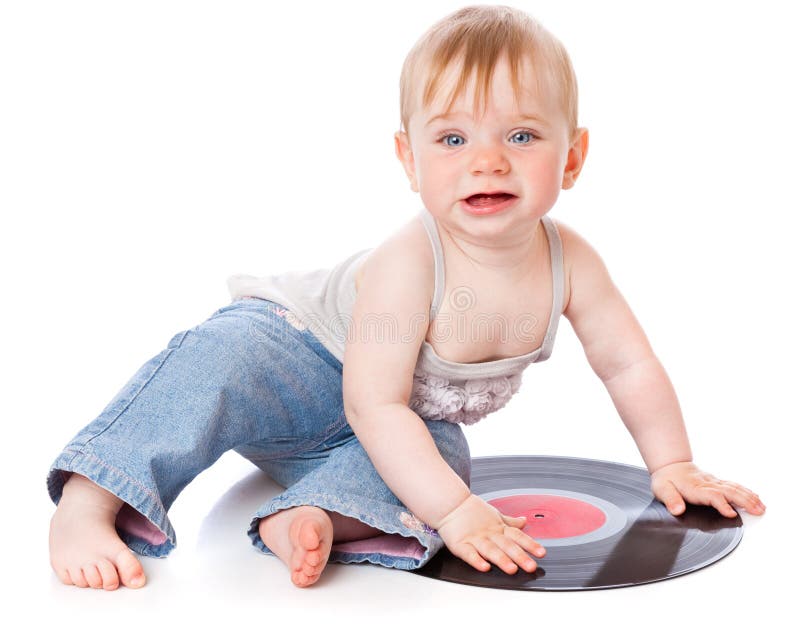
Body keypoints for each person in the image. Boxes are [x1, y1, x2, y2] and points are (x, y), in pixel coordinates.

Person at [46, 4, 766, 591]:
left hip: (387, 418)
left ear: (572, 157)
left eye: (521, 134)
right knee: (217, 362)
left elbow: (628, 365)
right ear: (408, 159)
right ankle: (92, 499)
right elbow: (372, 400)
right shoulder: (411, 261)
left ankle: (312, 517)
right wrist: (455, 516)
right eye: (452, 138)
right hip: (294, 356)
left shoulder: (571, 261)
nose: (487, 159)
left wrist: (671, 463)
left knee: (444, 461)